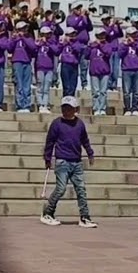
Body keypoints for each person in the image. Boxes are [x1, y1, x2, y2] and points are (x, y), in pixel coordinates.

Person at [40, 95, 98, 228]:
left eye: (69, 108)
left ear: (76, 109)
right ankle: (48, 212)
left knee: (81, 189)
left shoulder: (80, 124)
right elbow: (50, 142)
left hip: (76, 162)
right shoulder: (57, 124)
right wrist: (47, 158)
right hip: (62, 161)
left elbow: (85, 140)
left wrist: (90, 153)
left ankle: (85, 217)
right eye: (64, 108)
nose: (66, 111)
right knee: (60, 188)